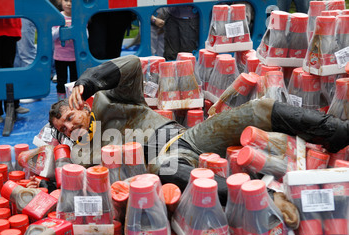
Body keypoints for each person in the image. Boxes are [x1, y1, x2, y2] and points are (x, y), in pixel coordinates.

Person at [48, 55, 348, 221]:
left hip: (189, 137)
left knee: (258, 108)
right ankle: (267, 201)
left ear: (82, 106)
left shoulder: (109, 102)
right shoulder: (81, 155)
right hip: (165, 162)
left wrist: (87, 82)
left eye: (69, 117)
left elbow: (132, 65)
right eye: (62, 129)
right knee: (162, 169)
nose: (68, 127)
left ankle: (338, 133)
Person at [52, 0, 77, 101]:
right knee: (61, 81)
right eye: (66, 0)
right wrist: (61, 30)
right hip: (60, 56)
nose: (69, 4)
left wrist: (75, 30)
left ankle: (74, 101)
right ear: (60, 1)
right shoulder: (58, 17)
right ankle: (61, 103)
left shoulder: (78, 17)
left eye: (72, 1)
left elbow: (86, 35)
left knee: (75, 81)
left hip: (75, 57)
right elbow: (52, 36)